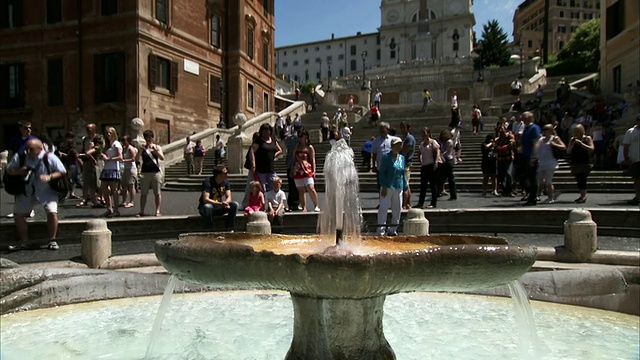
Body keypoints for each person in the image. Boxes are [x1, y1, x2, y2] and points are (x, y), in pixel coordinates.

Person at [6, 139, 66, 250]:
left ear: (39, 149)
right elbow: (9, 170)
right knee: (18, 214)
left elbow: (62, 171)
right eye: (27, 148)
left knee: (52, 213)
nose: (28, 151)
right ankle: (24, 241)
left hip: (46, 190)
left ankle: (52, 240)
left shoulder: (50, 157)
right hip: (26, 190)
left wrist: (50, 176)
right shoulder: (21, 157)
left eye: (31, 149)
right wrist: (19, 171)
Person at [377, 137, 407, 236]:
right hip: (387, 186)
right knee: (383, 208)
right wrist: (384, 186)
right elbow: (382, 173)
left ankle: (393, 229)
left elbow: (403, 173)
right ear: (392, 146)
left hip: (398, 186)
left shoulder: (402, 158)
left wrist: (405, 185)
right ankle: (381, 230)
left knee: (397, 209)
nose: (398, 147)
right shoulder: (386, 157)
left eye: (400, 145)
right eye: (396, 145)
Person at [199, 165, 238, 230]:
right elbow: (205, 199)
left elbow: (229, 197)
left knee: (234, 204)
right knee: (208, 206)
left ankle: (229, 228)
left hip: (219, 206)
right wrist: (220, 204)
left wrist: (226, 202)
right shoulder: (208, 182)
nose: (227, 175)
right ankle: (209, 230)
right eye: (225, 173)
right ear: (219, 175)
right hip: (206, 208)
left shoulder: (226, 182)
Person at [534, 124, 566, 203]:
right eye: (544, 131)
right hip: (541, 162)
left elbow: (564, 147)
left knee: (548, 181)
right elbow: (536, 148)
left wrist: (555, 144)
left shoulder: (554, 138)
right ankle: (537, 195)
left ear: (551, 131)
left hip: (551, 163)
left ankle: (550, 197)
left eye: (547, 131)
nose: (545, 132)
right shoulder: (541, 139)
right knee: (539, 181)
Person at [137, 130, 164, 216]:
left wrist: (156, 151)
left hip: (155, 172)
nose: (148, 139)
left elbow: (162, 157)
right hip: (145, 172)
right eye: (146, 137)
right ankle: (142, 211)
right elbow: (137, 159)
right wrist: (140, 150)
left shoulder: (157, 147)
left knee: (157, 192)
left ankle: (157, 210)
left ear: (153, 138)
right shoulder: (143, 148)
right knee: (143, 193)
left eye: (150, 137)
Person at [250, 123, 282, 193]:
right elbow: (252, 151)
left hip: (270, 168)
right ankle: (262, 203)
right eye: (264, 131)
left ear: (270, 131)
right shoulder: (259, 141)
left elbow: (280, 150)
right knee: (262, 189)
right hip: (261, 169)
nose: (266, 133)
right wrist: (253, 164)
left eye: (267, 131)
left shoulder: (273, 140)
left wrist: (274, 155)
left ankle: (274, 203)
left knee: (274, 187)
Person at [293, 129, 320, 212]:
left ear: (306, 137)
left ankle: (316, 205)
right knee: (301, 190)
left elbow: (312, 159)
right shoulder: (297, 146)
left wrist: (314, 170)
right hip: (298, 169)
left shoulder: (309, 147)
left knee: (310, 187)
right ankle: (304, 206)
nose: (300, 138)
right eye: (299, 136)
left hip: (307, 169)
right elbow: (293, 156)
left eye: (302, 136)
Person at [98, 127, 123, 217]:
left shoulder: (116, 144)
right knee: (104, 188)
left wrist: (108, 159)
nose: (108, 134)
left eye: (110, 133)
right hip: (106, 168)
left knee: (114, 190)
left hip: (113, 169)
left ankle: (116, 210)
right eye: (107, 133)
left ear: (114, 133)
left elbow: (120, 157)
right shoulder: (107, 145)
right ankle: (109, 208)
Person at [567, 124, 594, 204]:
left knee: (582, 179)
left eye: (578, 132)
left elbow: (591, 148)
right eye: (574, 132)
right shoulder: (572, 140)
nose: (576, 134)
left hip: (584, 162)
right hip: (575, 162)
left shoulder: (587, 138)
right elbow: (568, 151)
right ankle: (582, 195)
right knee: (578, 179)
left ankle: (583, 196)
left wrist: (581, 144)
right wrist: (573, 144)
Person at [415, 127, 440, 209]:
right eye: (422, 133)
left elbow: (437, 152)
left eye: (424, 133)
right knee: (423, 185)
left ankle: (433, 202)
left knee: (433, 185)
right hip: (424, 166)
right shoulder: (421, 144)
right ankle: (420, 202)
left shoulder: (433, 142)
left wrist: (436, 162)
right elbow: (419, 153)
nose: (423, 134)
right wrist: (420, 159)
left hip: (431, 165)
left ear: (428, 133)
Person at [521, 111, 542, 206]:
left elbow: (536, 142)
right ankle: (529, 195)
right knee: (526, 177)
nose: (523, 119)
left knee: (532, 178)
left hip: (531, 156)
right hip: (525, 155)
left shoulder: (534, 128)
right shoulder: (526, 128)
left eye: (525, 117)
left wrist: (533, 157)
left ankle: (533, 198)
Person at [77, 123, 100, 208]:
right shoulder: (85, 139)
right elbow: (84, 150)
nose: (87, 131)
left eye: (89, 129)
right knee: (85, 181)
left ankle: (98, 198)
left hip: (95, 162)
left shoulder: (98, 138)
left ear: (94, 129)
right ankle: (85, 199)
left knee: (95, 182)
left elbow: (99, 149)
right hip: (86, 162)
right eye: (86, 129)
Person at [622, 114, 640, 205]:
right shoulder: (631, 132)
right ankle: (637, 197)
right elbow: (626, 146)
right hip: (635, 160)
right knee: (637, 180)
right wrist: (626, 158)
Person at [495, 127, 516, 197]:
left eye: (502, 131)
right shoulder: (498, 140)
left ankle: (509, 190)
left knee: (508, 174)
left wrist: (501, 147)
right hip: (500, 159)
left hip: (508, 158)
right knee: (501, 175)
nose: (501, 133)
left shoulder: (509, 138)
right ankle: (504, 190)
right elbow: (495, 147)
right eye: (500, 132)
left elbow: (511, 144)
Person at [283, 127, 300, 211]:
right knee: (297, 185)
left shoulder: (288, 138)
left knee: (291, 185)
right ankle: (296, 203)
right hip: (297, 164)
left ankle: (291, 203)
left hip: (289, 164)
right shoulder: (298, 138)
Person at [399, 122, 415, 209]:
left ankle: (405, 203)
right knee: (405, 185)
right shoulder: (405, 138)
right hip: (404, 163)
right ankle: (407, 203)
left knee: (405, 185)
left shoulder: (409, 138)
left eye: (403, 128)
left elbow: (405, 152)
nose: (402, 130)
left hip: (405, 163)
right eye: (401, 128)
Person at [438, 129, 457, 200]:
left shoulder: (449, 141)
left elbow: (446, 151)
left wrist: (440, 155)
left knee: (449, 178)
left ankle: (453, 195)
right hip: (445, 160)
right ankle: (440, 191)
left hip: (448, 160)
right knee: (443, 178)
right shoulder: (443, 142)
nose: (443, 136)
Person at [119, 135, 138, 209]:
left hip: (131, 169)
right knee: (124, 186)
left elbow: (133, 159)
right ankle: (124, 201)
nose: (123, 142)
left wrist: (123, 160)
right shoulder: (124, 148)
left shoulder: (130, 148)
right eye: (122, 140)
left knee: (131, 185)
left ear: (128, 141)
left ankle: (131, 201)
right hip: (125, 168)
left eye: (124, 140)